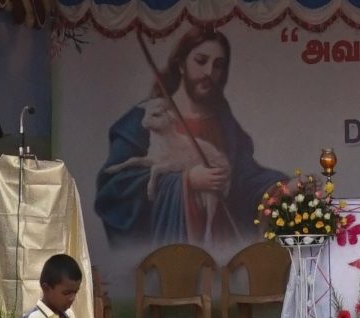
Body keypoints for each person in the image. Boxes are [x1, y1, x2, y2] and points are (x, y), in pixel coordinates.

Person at [94, 27, 281, 249]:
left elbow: (244, 177)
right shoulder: (144, 119)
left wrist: (282, 186)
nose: (209, 72)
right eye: (201, 61)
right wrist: (187, 181)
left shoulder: (222, 120)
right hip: (173, 255)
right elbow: (115, 188)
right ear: (181, 64)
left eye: (218, 65)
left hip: (223, 252)